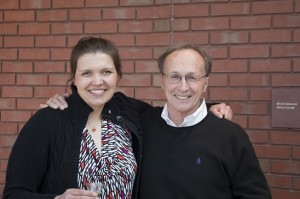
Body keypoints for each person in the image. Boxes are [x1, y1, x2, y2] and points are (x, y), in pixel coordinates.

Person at [3, 37, 232, 199]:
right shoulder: (48, 121)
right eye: (86, 73)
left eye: (106, 72)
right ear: (74, 79)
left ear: (118, 76)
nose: (97, 81)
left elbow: (171, 110)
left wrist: (209, 108)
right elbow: (14, 193)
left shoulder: (130, 111)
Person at [139, 43, 272, 198]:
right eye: (174, 77)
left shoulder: (230, 136)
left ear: (205, 83)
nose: (183, 87)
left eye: (192, 77)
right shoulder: (143, 125)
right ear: (162, 81)